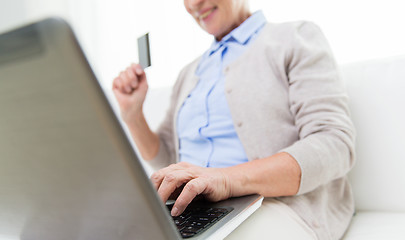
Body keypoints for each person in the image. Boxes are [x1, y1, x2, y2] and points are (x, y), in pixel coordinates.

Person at [112, 0, 355, 239]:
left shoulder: (294, 38)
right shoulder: (188, 73)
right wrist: (133, 116)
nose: (194, 3)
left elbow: (334, 144)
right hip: (188, 210)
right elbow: (166, 157)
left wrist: (226, 178)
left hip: (274, 206)